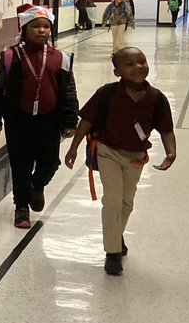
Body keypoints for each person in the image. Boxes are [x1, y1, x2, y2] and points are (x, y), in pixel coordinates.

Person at [64, 47, 176, 275]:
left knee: (127, 202)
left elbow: (166, 129)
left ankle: (116, 235)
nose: (138, 67)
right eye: (130, 64)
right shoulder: (106, 94)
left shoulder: (156, 98)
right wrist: (74, 147)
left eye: (142, 62)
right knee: (113, 200)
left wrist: (170, 152)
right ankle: (112, 253)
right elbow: (86, 121)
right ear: (117, 72)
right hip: (108, 152)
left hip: (135, 157)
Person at [0, 5, 78, 229]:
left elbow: (69, 91)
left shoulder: (61, 58)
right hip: (19, 120)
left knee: (49, 163)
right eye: (36, 26)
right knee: (21, 165)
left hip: (49, 120)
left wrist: (70, 121)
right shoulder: (11, 57)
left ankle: (37, 186)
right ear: (25, 28)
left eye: (46, 26)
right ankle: (21, 209)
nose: (42, 31)